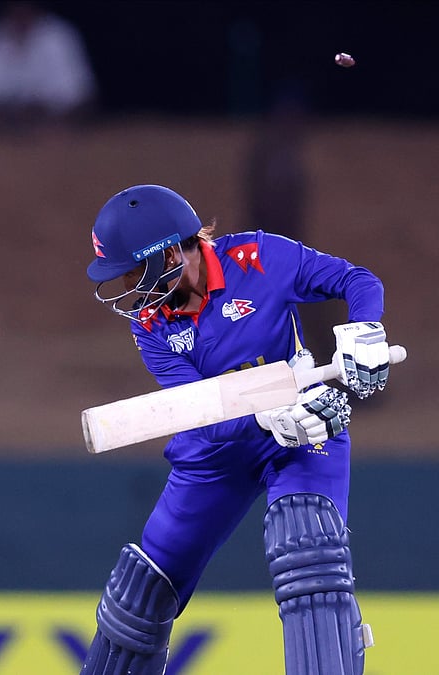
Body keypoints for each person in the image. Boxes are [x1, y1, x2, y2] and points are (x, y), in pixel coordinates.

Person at [81, 185, 391, 674]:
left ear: (170, 252)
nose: (131, 289)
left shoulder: (261, 257)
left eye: (135, 272)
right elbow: (200, 417)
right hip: (215, 453)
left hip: (304, 434)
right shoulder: (151, 325)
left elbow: (357, 280)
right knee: (140, 595)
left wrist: (364, 329)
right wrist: (266, 414)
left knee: (309, 548)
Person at [0, 0, 97, 131]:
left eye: (25, 9)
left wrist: (40, 112)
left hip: (55, 128)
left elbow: (79, 94)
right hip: (5, 128)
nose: (20, 15)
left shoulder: (59, 36)